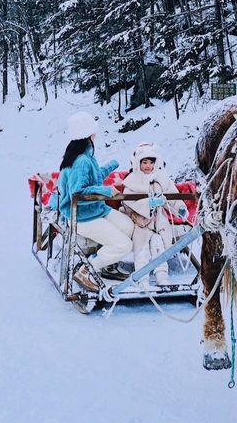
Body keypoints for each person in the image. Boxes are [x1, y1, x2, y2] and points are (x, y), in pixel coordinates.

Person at [54, 111, 134, 293]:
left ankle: (108, 265)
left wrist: (112, 166)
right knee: (124, 245)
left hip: (96, 209)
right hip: (82, 216)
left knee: (127, 226)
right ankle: (86, 270)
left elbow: (93, 179)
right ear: (89, 134)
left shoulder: (85, 155)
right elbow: (78, 193)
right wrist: (106, 191)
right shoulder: (82, 160)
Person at [120, 142, 188, 287]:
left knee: (160, 247)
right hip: (140, 222)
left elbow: (172, 193)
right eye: (144, 162)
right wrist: (148, 204)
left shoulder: (161, 178)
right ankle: (142, 278)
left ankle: (162, 276)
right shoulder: (132, 180)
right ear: (137, 163)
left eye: (151, 162)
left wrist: (180, 207)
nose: (148, 166)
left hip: (160, 222)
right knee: (142, 250)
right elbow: (129, 201)